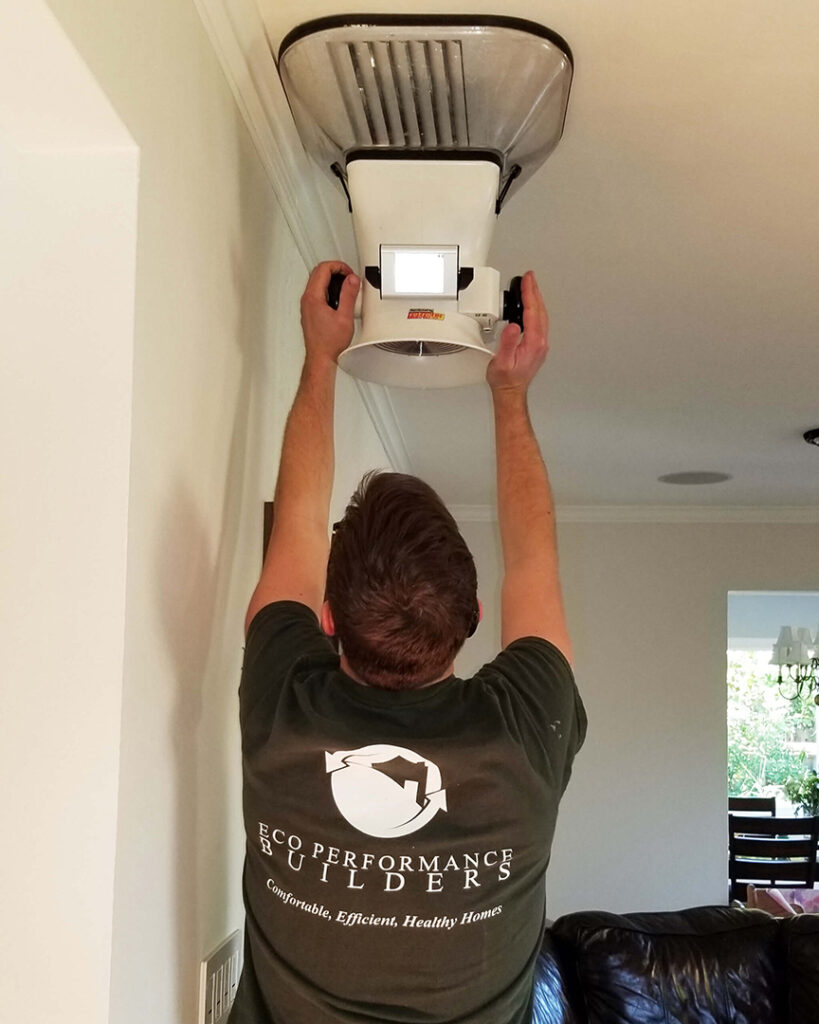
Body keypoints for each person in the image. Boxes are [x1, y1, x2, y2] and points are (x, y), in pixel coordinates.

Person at [229, 261, 587, 1024]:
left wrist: (320, 356)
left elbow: (293, 525)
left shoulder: (283, 707)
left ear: (328, 621)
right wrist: (509, 396)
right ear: (474, 613)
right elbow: (533, 560)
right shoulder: (524, 731)